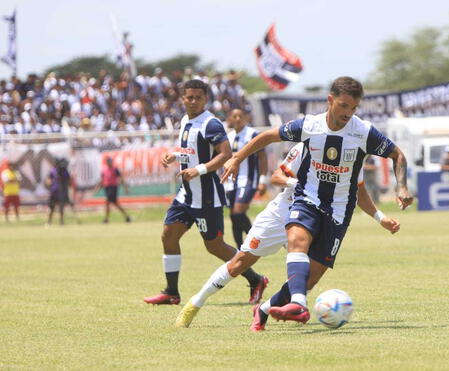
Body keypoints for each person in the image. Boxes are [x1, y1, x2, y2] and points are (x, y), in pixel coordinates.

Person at [221, 76, 412, 324]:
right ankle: (299, 305)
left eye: (353, 108)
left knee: (310, 277)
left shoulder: (363, 132)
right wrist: (237, 158)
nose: (348, 113)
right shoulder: (310, 125)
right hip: (307, 198)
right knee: (297, 239)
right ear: (330, 100)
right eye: (343, 106)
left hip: (340, 211)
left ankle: (265, 309)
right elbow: (268, 136)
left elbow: (398, 155)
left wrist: (402, 187)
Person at [174, 143, 400, 328]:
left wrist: (381, 218)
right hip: (282, 213)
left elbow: (359, 191)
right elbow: (276, 176)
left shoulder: (353, 155)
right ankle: (195, 303)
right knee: (239, 263)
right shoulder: (308, 145)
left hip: (319, 218)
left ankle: (264, 309)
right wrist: (300, 184)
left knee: (309, 278)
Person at [143, 79, 267, 306]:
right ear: (183, 99)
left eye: (198, 97)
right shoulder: (185, 121)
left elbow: (225, 154)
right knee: (168, 235)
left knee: (215, 247)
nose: (193, 101)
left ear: (205, 99)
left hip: (207, 197)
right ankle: (171, 292)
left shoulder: (211, 124)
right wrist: (175, 156)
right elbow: (192, 152)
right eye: (189, 97)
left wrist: (198, 170)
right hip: (186, 195)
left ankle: (257, 280)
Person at [224, 108, 268, 249]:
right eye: (234, 116)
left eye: (240, 116)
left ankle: (254, 240)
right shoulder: (228, 137)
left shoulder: (252, 134)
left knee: (238, 212)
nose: (237, 119)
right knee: (233, 216)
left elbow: (262, 158)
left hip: (248, 179)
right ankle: (239, 249)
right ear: (229, 119)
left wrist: (262, 180)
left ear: (245, 118)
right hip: (231, 182)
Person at [96, 156, 131, 223]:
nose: (110, 163)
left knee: (108, 202)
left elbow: (121, 178)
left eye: (111, 162)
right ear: (107, 163)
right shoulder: (104, 170)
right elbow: (102, 180)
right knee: (115, 204)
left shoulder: (115, 169)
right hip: (107, 188)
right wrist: (98, 187)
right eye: (109, 162)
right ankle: (127, 217)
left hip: (113, 187)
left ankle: (106, 219)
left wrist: (125, 188)